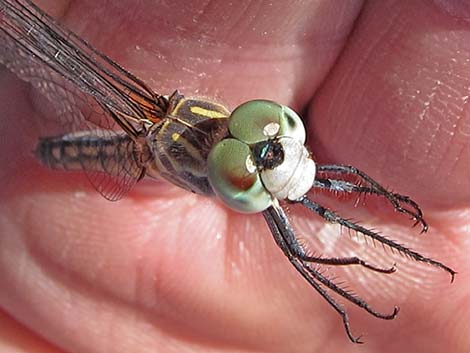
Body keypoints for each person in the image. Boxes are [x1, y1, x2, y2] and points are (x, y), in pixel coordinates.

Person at [0, 0, 468, 352]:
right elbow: (303, 255)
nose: (279, 153)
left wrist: (391, 200)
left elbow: (326, 185)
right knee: (305, 258)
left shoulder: (264, 149)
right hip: (98, 145)